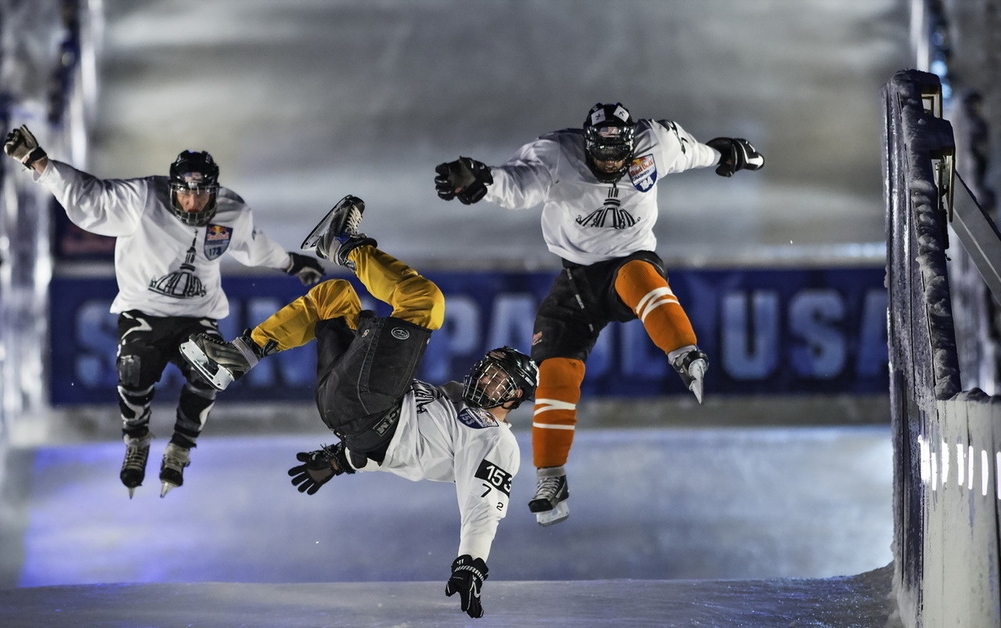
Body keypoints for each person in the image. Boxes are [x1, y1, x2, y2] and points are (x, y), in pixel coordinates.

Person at [179, 195, 538, 619]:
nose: (486, 380)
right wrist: (340, 461)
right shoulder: (454, 399)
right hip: (349, 407)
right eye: (489, 370)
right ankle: (237, 358)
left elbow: (483, 507)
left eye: (501, 382)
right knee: (334, 297)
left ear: (514, 400)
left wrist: (470, 562)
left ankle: (343, 243)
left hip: (368, 406)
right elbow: (404, 447)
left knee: (425, 302)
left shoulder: (496, 441)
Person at [434, 102, 764, 526]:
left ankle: (684, 350)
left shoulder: (656, 143)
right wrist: (485, 180)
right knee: (553, 372)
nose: (609, 163)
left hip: (629, 262)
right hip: (576, 282)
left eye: (617, 155)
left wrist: (724, 154)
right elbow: (519, 184)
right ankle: (551, 476)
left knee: (637, 275)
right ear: (584, 146)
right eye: (601, 155)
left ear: (633, 145)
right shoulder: (556, 154)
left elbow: (692, 152)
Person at [3, 125, 326, 498]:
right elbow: (90, 196)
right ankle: (136, 439)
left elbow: (253, 245)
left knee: (215, 367)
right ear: (172, 189)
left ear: (214, 191)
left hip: (197, 317)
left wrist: (290, 263)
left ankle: (180, 448)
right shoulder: (142, 197)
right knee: (133, 367)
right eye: (186, 193)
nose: (193, 203)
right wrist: (37, 162)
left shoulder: (230, 212)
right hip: (144, 311)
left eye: (202, 194)